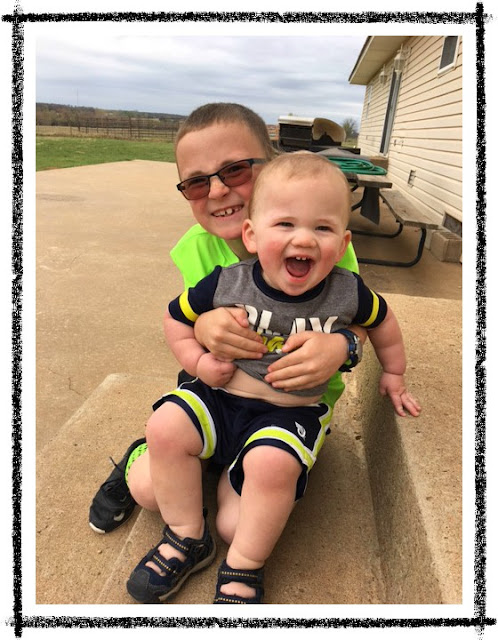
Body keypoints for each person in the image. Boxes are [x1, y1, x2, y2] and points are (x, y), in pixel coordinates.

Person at [124, 151, 421, 604]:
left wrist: (394, 373)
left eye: (322, 228)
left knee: (256, 493)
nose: (303, 238)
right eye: (285, 224)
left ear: (343, 243)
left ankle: (245, 561)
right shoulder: (227, 281)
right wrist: (197, 362)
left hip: (288, 414)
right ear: (252, 234)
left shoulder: (348, 291)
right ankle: (187, 534)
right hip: (220, 398)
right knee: (164, 425)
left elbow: (383, 321)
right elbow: (174, 318)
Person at [89, 103, 364, 540]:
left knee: (237, 526)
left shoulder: (318, 242)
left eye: (234, 170)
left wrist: (343, 346)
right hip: (218, 394)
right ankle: (145, 451)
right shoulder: (196, 248)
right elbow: (184, 317)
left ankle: (223, 465)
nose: (217, 190)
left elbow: (363, 317)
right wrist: (201, 328)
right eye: (197, 182)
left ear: (272, 167)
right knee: (148, 491)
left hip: (292, 406)